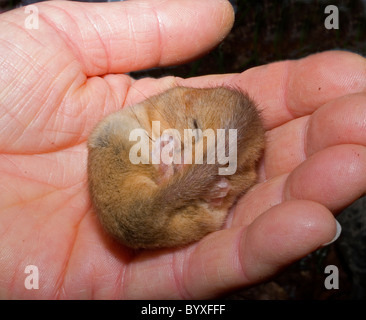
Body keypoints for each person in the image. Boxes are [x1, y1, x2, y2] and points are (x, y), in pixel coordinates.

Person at [0, 0, 365, 299]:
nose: (193, 157)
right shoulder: (175, 104)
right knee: (115, 138)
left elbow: (235, 184)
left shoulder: (236, 163)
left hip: (169, 212)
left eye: (219, 158)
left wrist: (217, 186)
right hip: (137, 188)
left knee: (211, 204)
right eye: (194, 131)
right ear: (188, 102)